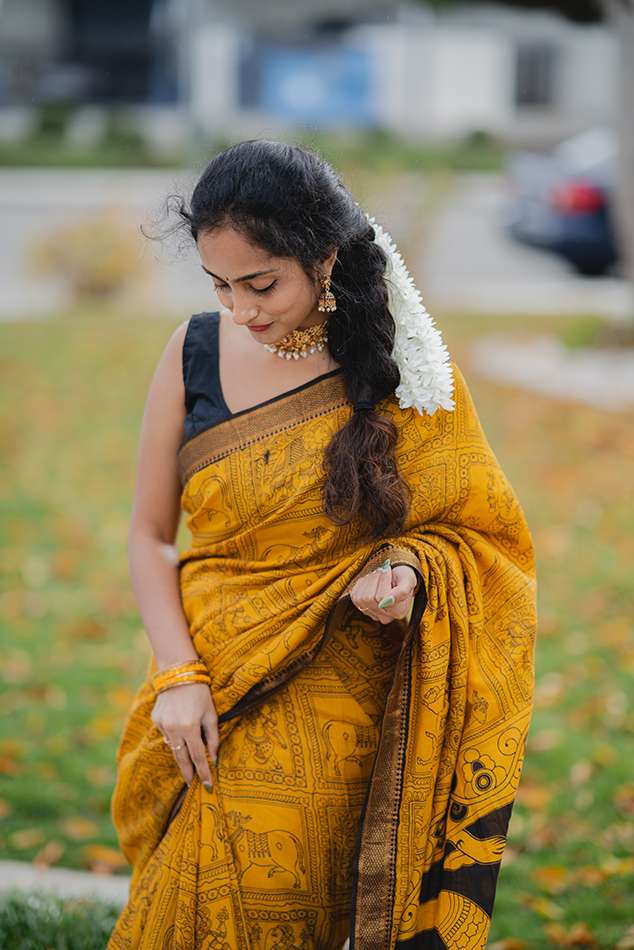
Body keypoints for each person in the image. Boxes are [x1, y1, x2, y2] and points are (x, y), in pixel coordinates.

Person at [108, 140, 536, 950]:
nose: (241, 310)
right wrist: (178, 675)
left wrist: (409, 570)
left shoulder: (404, 368)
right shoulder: (193, 350)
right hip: (209, 665)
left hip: (339, 680)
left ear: (325, 257)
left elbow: (482, 535)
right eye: (220, 286)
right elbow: (147, 535)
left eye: (261, 283)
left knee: (261, 879)